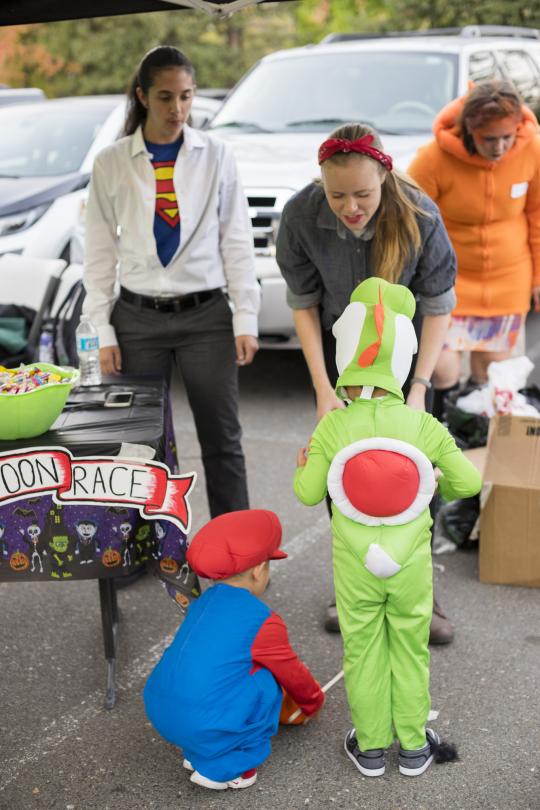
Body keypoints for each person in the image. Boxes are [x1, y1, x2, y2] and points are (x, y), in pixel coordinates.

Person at [276, 123, 457, 642]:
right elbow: (304, 306)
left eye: (362, 193)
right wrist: (322, 389)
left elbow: (440, 306)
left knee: (414, 469)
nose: (350, 206)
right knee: (344, 467)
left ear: (385, 176)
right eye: (337, 195)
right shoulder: (301, 214)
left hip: (408, 360)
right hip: (342, 359)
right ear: (321, 186)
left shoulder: (419, 213)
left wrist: (420, 387)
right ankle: (353, 584)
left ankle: (420, 589)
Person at [294, 277, 482, 777]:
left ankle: (372, 749)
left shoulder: (333, 426)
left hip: (355, 567)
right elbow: (469, 482)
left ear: (346, 357)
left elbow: (309, 493)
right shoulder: (423, 427)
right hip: (409, 565)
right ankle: (416, 746)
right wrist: (434, 473)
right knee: (410, 646)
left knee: (362, 650)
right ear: (403, 359)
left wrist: (304, 462)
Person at [83, 46, 260, 518]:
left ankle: (235, 553)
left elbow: (236, 239)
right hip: (137, 318)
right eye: (165, 97)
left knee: (222, 439)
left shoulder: (217, 155)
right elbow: (98, 255)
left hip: (207, 317)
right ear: (142, 96)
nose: (177, 109)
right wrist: (102, 331)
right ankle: (140, 550)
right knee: (140, 445)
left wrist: (246, 316)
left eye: (186, 96)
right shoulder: (112, 163)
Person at [144, 509, 325, 791]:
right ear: (258, 570)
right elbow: (292, 672)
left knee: (216, 675)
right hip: (203, 722)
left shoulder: (203, 603)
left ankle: (199, 752)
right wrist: (313, 701)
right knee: (267, 679)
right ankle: (228, 768)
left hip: (160, 710)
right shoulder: (262, 619)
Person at [408, 80, 540, 416]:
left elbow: (538, 215)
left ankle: (480, 452)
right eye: (489, 139)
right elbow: (410, 224)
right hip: (449, 283)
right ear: (470, 128)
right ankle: (439, 440)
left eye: (506, 138)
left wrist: (538, 279)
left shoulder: (532, 149)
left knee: (490, 375)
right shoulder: (433, 158)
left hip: (508, 281)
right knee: (441, 370)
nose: (499, 147)